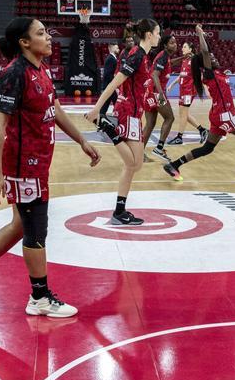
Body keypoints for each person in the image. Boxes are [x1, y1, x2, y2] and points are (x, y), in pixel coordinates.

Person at [0, 18, 101, 316]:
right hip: (23, 165)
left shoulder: (41, 69)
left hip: (38, 162)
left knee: (21, 226)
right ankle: (39, 297)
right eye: (41, 33)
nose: (49, 38)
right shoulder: (15, 73)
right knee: (35, 230)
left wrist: (82, 140)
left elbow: (54, 109)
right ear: (24, 42)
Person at [162, 25, 235, 186]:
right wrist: (200, 34)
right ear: (205, 63)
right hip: (225, 115)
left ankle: (174, 165)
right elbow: (206, 52)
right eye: (211, 58)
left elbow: (208, 55)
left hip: (217, 115)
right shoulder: (210, 74)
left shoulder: (217, 73)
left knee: (207, 148)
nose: (214, 59)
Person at [86, 19, 161, 226]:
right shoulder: (136, 55)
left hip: (135, 114)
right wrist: (96, 109)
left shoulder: (143, 56)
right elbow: (114, 82)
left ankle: (120, 210)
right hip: (127, 112)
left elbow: (139, 88)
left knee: (134, 165)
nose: (159, 36)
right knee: (133, 164)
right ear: (148, 35)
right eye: (157, 33)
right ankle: (109, 129)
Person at [146, 35, 182, 160]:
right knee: (170, 118)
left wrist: (183, 58)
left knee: (150, 124)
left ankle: (139, 154)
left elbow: (170, 63)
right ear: (165, 45)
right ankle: (159, 148)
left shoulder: (164, 56)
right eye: (172, 43)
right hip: (156, 92)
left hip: (149, 92)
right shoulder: (163, 56)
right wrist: (161, 94)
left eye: (175, 42)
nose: (175, 45)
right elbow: (155, 75)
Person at [169, 40, 209, 146]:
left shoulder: (194, 60)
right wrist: (172, 85)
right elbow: (182, 75)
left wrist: (206, 88)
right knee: (183, 114)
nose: (182, 48)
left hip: (189, 91)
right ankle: (202, 130)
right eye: (182, 47)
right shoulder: (184, 60)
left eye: (185, 47)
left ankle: (179, 137)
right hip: (183, 90)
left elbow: (200, 76)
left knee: (183, 114)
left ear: (190, 49)